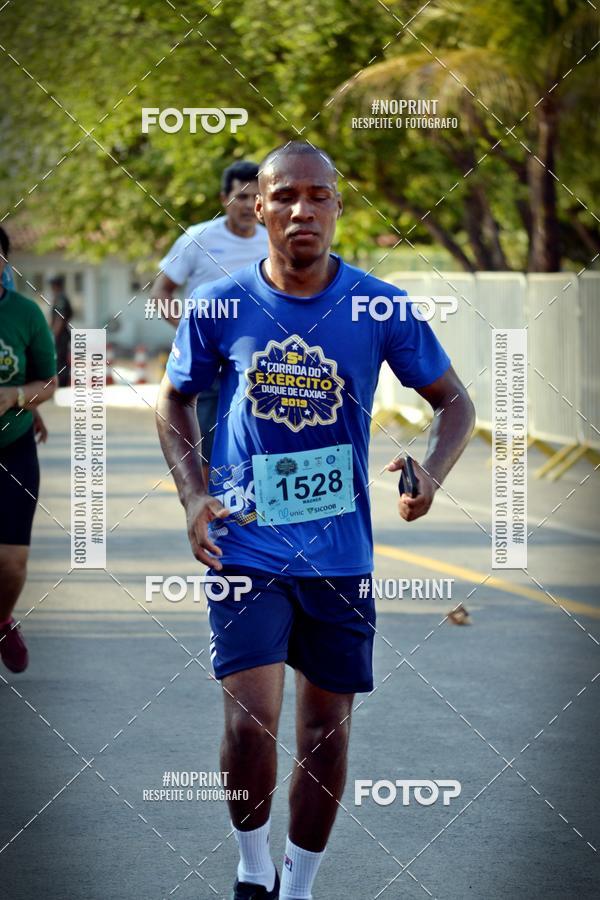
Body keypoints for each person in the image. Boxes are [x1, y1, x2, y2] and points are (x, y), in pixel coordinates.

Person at [156, 142, 475, 900]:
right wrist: (194, 494)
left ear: (338, 207)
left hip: (339, 555)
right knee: (250, 724)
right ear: (258, 209)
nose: (303, 209)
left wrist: (433, 469)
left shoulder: (378, 305)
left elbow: (455, 402)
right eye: (286, 196)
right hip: (246, 545)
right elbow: (173, 402)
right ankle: (252, 867)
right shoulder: (220, 304)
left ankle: (300, 887)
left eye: (319, 195)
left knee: (325, 737)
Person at [152, 160, 268, 480]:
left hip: (261, 362)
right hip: (211, 361)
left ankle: (254, 521)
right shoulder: (197, 238)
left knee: (260, 449)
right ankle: (208, 516)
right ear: (223, 199)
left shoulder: (272, 241)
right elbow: (162, 291)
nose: (248, 205)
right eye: (240, 197)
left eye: (255, 197)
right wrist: (193, 334)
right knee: (208, 450)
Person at [0, 226, 58, 673]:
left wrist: (17, 398)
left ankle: (3, 619)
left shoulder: (24, 314)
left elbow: (49, 382)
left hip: (12, 447)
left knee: (12, 562)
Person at [49, 274, 73, 387]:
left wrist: (53, 335)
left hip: (61, 334)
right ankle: (61, 381)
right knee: (60, 358)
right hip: (62, 333)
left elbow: (59, 318)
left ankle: (62, 382)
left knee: (60, 359)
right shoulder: (60, 297)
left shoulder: (60, 299)